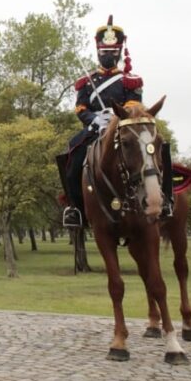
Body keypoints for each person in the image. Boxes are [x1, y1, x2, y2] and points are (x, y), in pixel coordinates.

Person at [60, 15, 144, 228]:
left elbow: (134, 105)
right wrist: (94, 119)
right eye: (105, 52)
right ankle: (76, 208)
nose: (108, 56)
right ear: (98, 52)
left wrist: (116, 118)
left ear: (119, 53)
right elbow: (80, 107)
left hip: (125, 129)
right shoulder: (86, 82)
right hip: (95, 129)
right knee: (71, 156)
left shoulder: (129, 80)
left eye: (113, 52)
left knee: (157, 150)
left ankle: (164, 199)